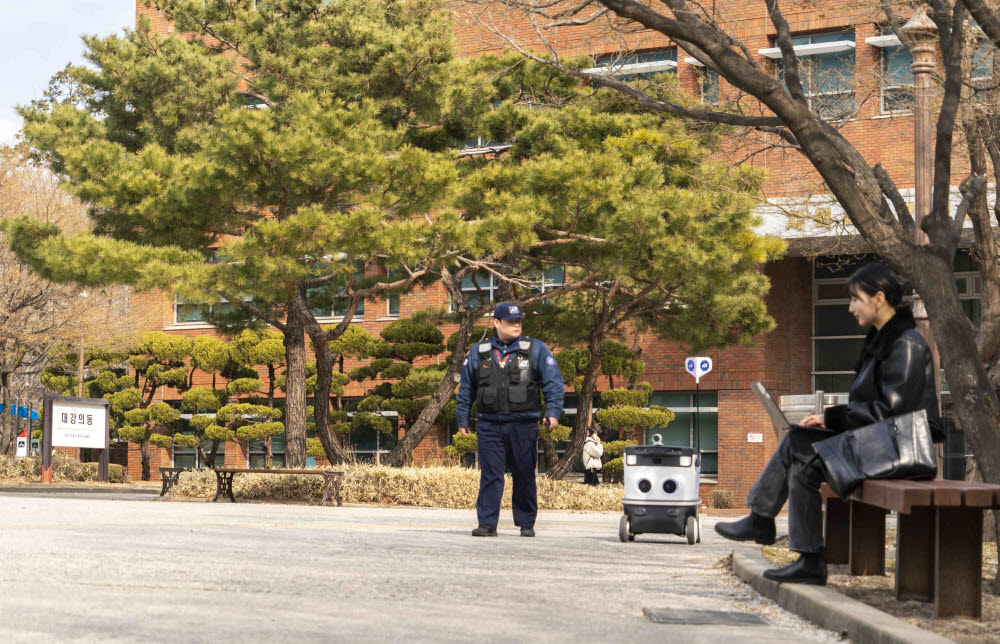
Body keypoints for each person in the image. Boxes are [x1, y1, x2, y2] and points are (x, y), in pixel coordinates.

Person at [715, 263, 941, 585]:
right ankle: (788, 543)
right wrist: (831, 420)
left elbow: (892, 414)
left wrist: (833, 417)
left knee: (800, 453)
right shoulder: (882, 342)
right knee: (799, 447)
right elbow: (875, 411)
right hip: (882, 444)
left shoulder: (905, 344)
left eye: (855, 299)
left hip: (901, 450)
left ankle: (773, 530)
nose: (850, 308)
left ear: (879, 298)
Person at [456, 302, 565, 537]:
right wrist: (462, 419)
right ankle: (487, 523)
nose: (516, 325)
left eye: (519, 321)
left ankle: (526, 523)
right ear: (496, 323)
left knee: (524, 472)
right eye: (510, 322)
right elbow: (466, 388)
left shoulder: (535, 349)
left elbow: (553, 383)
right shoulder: (479, 351)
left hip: (523, 423)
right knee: (490, 474)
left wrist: (553, 412)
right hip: (489, 424)